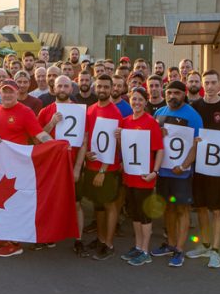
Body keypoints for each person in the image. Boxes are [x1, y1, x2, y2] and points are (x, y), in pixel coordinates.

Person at [0, 79, 53, 258]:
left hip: (17, 166)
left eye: (11, 91)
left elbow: (39, 134)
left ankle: (15, 243)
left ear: (17, 93)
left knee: (14, 203)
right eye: (4, 91)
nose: (7, 94)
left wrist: (54, 145)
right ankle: (5, 235)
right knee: (1, 201)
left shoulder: (25, 112)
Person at [150, 81, 204, 267]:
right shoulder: (159, 113)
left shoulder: (193, 116)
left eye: (177, 93)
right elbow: (154, 141)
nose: (172, 96)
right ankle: (170, 243)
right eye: (169, 92)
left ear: (184, 94)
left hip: (181, 173)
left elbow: (197, 145)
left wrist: (184, 165)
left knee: (182, 210)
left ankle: (180, 249)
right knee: (168, 208)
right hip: (164, 171)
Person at [73, 74, 123, 261]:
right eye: (99, 87)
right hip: (92, 166)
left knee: (109, 205)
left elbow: (114, 146)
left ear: (111, 89)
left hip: (107, 170)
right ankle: (101, 239)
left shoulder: (115, 113)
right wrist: (85, 156)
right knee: (98, 206)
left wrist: (102, 170)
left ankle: (108, 244)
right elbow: (87, 138)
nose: (102, 90)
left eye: (105, 87)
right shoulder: (91, 110)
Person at [191, 70, 220, 268]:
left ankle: (216, 251)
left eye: (213, 82)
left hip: (218, 166)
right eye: (206, 82)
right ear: (202, 84)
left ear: (219, 84)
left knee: (217, 209)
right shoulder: (195, 106)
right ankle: (205, 244)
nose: (209, 86)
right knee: (200, 207)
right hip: (199, 165)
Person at [37, 75, 86, 255]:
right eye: (60, 86)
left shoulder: (80, 111)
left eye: (66, 86)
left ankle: (79, 239)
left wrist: (78, 167)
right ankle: (48, 236)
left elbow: (84, 141)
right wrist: (51, 123)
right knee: (49, 201)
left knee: (76, 203)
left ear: (71, 89)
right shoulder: (46, 111)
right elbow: (37, 138)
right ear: (54, 88)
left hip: (72, 163)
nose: (63, 89)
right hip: (51, 166)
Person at [116, 87, 164, 266]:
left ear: (145, 102)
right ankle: (137, 246)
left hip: (145, 177)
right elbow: (125, 149)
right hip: (130, 176)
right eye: (133, 99)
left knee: (144, 215)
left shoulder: (151, 122)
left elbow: (159, 149)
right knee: (135, 214)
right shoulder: (125, 121)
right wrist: (119, 138)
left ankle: (145, 250)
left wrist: (155, 172)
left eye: (140, 100)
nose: (136, 103)